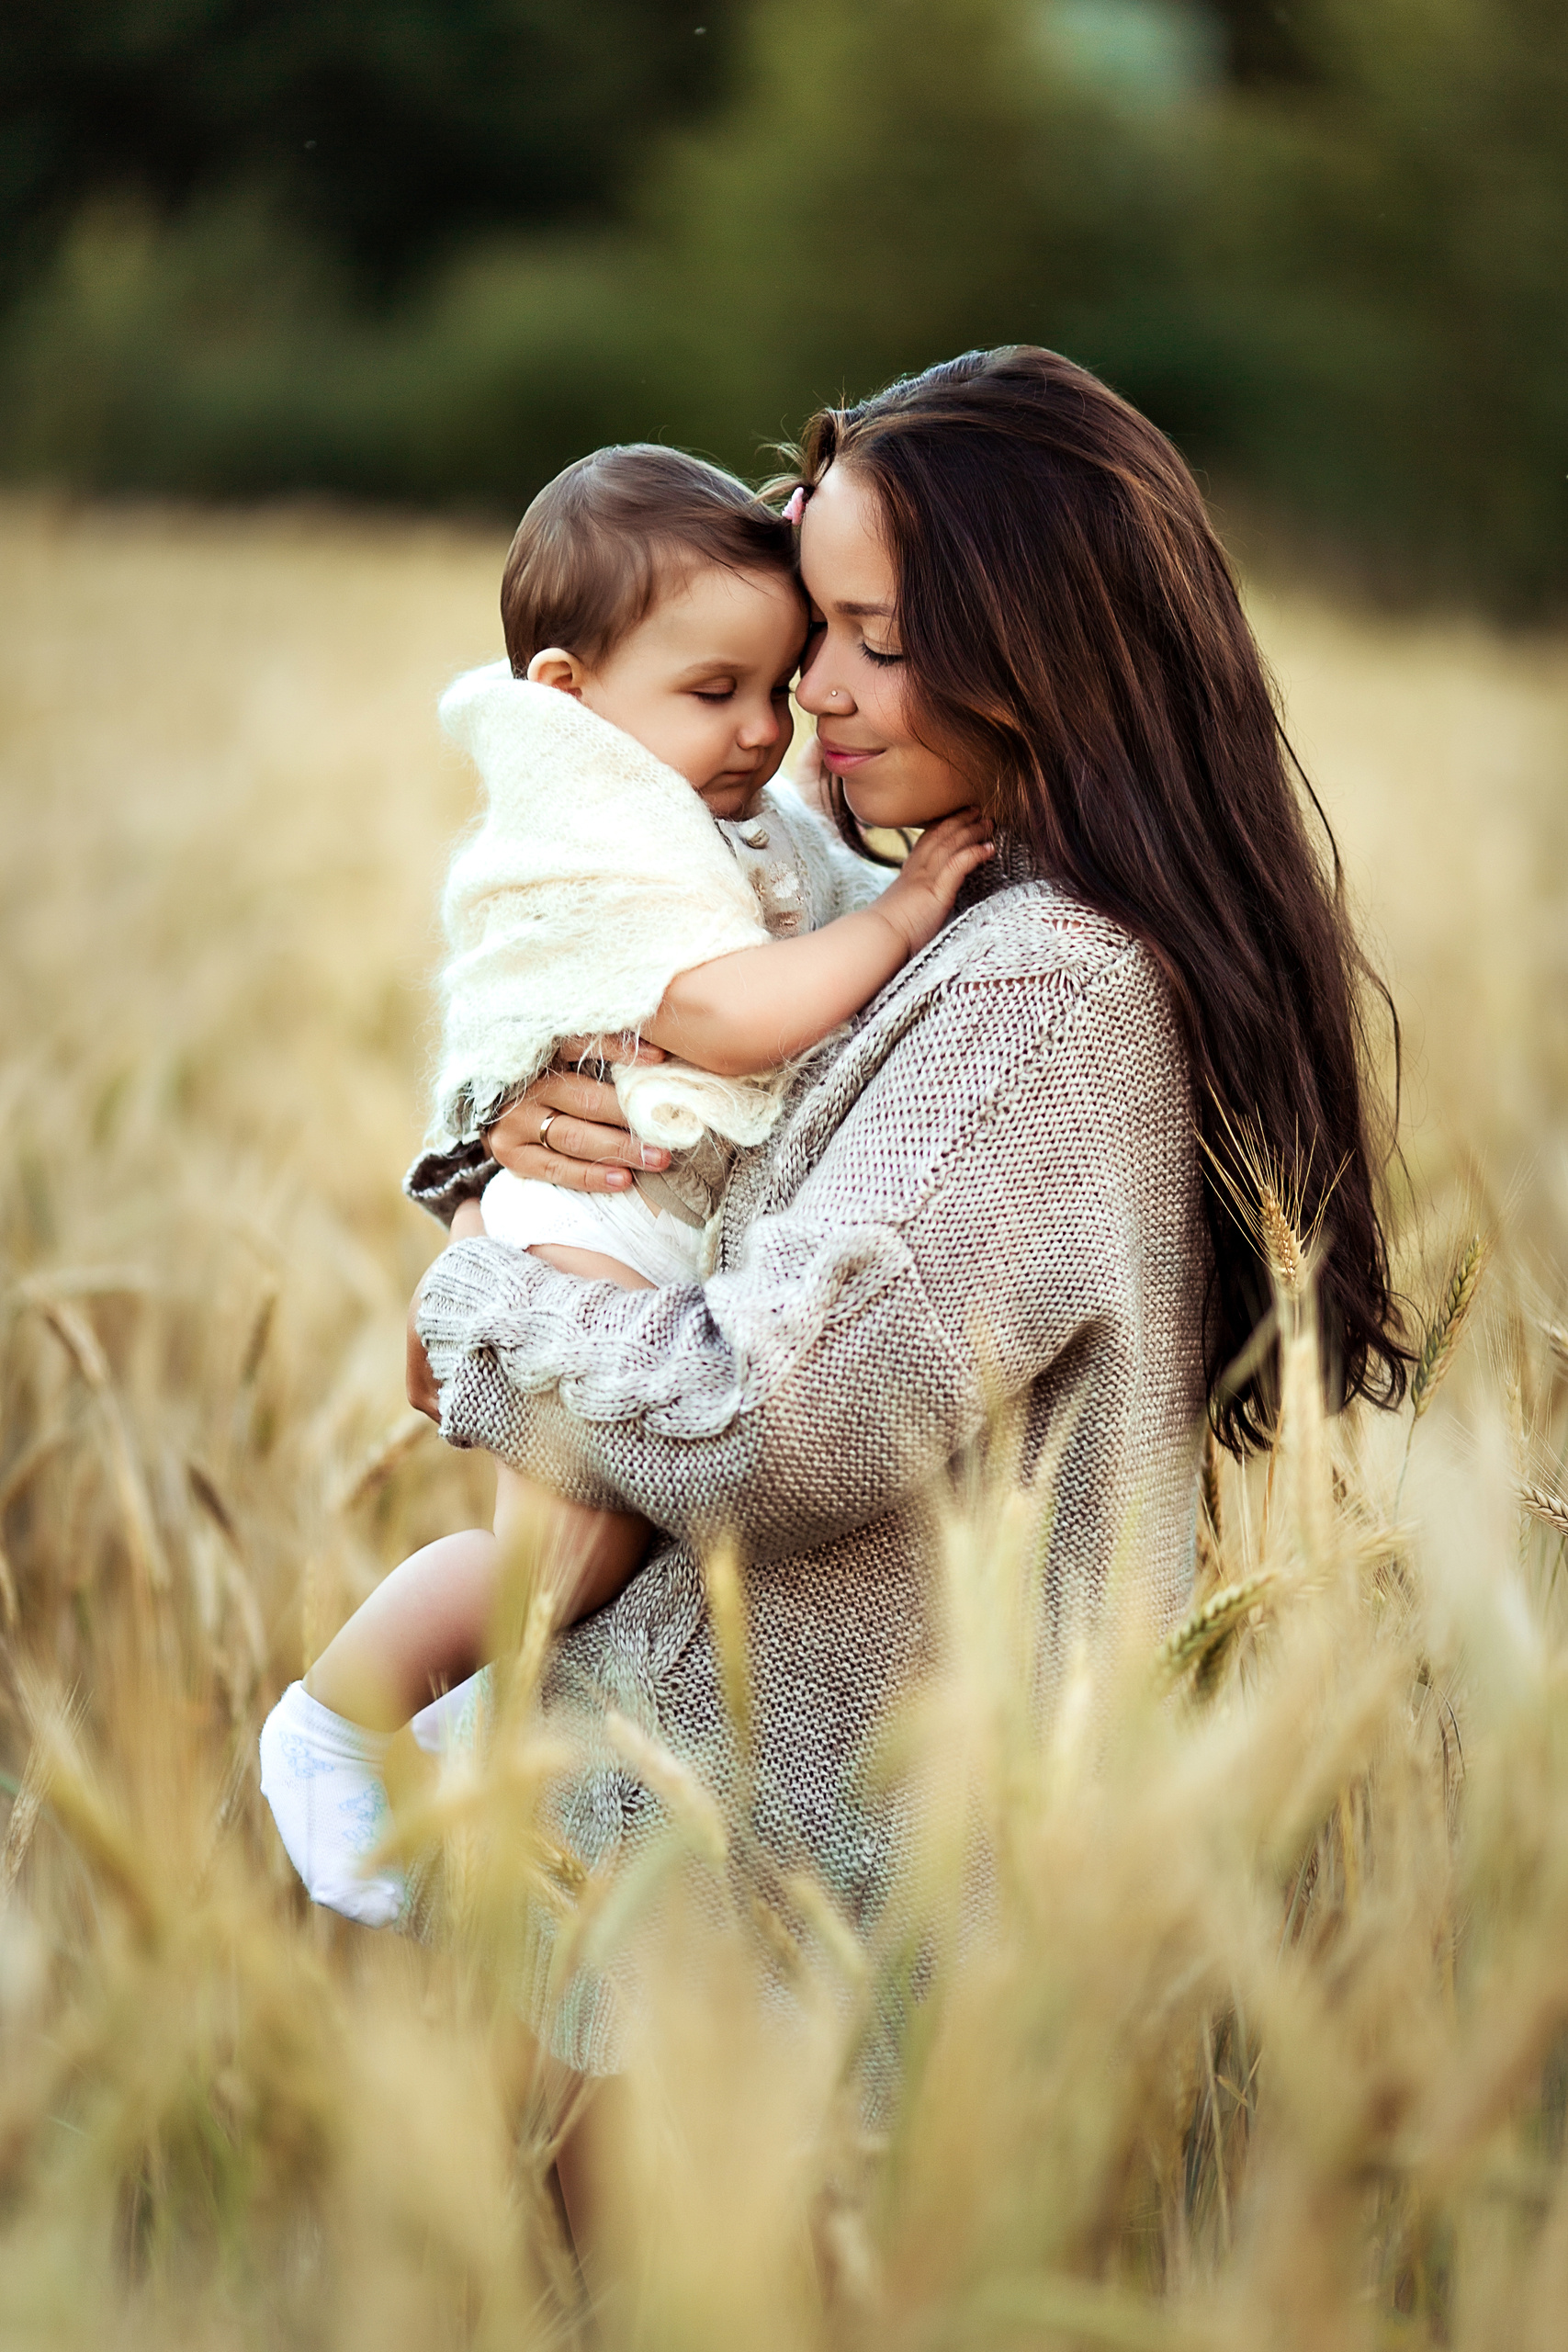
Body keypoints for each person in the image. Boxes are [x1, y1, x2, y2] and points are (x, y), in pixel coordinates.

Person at [402, 349, 1408, 2139]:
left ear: (1045, 644)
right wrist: (495, 1147)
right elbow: (709, 1157)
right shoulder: (931, 912)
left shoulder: (1037, 981)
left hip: (790, 1945)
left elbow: (772, 1420)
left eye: (875, 637)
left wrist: (475, 1293)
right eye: (810, 640)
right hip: (701, 1888)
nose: (813, 697)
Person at [258, 445, 993, 1927]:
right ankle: (335, 1721)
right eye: (716, 692)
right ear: (570, 694)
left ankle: (469, 1726)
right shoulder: (583, 820)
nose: (769, 729)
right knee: (579, 1537)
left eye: (779, 686)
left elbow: (809, 935)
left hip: (641, 1215)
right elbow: (724, 1015)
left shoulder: (716, 814)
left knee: (611, 1544)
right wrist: (916, 909)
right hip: (587, 1213)